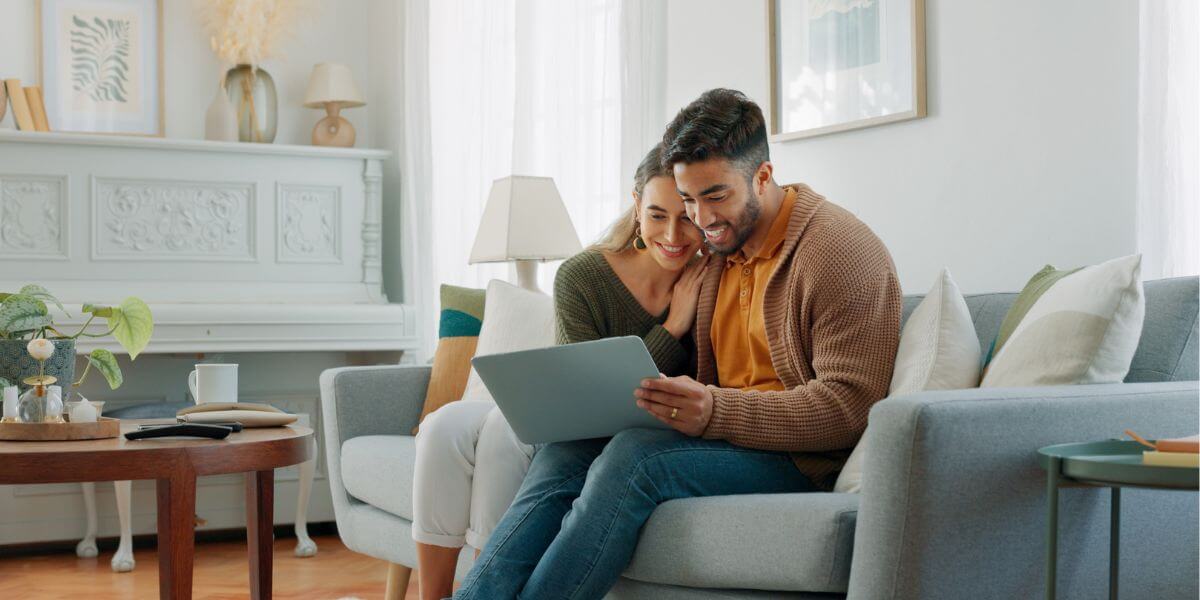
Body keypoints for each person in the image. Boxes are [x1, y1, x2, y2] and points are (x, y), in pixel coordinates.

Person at [452, 88, 903, 600]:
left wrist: (715, 411)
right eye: (690, 201)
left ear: (763, 176)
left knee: (635, 456)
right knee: (566, 451)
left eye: (715, 197)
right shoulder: (717, 252)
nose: (702, 220)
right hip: (723, 437)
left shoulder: (837, 252)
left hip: (801, 456)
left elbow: (850, 408)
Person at [410, 143, 706, 600]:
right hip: (582, 432)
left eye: (686, 215)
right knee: (458, 432)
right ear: (636, 207)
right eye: (657, 215)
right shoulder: (583, 276)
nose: (673, 233)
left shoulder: (713, 277)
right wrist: (672, 328)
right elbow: (588, 403)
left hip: (656, 438)